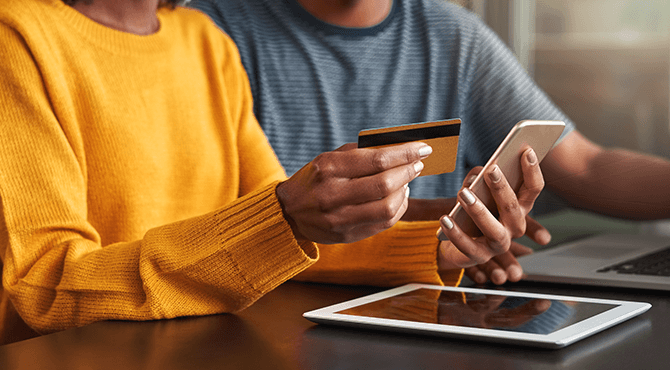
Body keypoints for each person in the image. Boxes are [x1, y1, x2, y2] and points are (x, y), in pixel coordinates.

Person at [0, 0, 544, 344]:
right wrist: (284, 217)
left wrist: (435, 245)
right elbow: (43, 289)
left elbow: (276, 244)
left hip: (213, 350)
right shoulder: (19, 37)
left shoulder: (204, 41)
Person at [190, 0, 670, 284]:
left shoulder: (451, 34)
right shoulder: (208, 34)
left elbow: (584, 166)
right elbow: (225, 227)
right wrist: (434, 237)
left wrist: (451, 237)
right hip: (276, 320)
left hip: (425, 308)